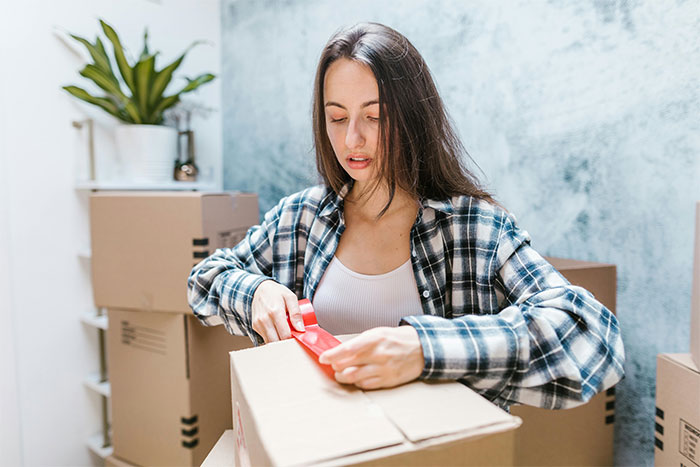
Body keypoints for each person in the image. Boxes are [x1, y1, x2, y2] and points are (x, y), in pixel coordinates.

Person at [187, 22, 624, 409]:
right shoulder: (302, 217)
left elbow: (591, 337)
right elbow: (205, 280)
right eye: (336, 118)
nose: (352, 139)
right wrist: (256, 292)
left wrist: (424, 348)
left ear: (413, 119)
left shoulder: (473, 229)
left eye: (374, 117)